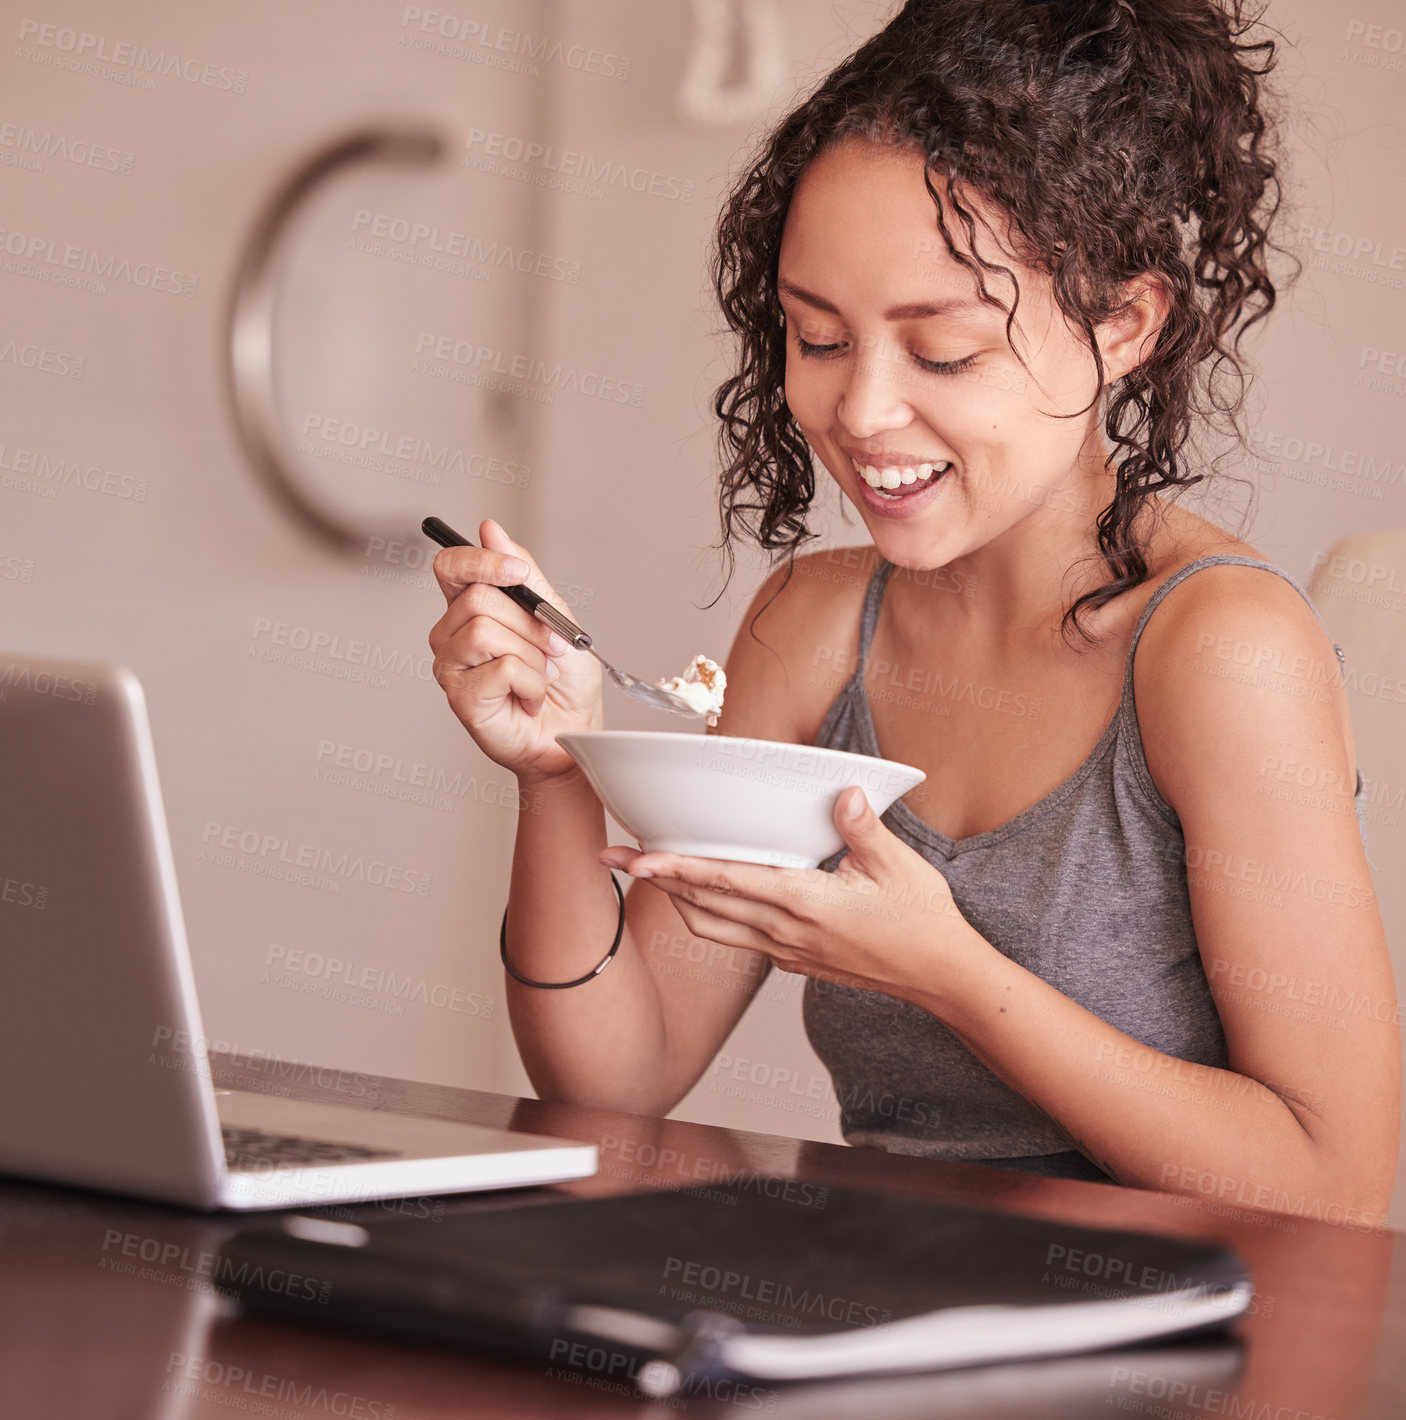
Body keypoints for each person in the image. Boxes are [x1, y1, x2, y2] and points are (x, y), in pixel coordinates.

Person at [428, 0, 1398, 1224]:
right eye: (817, 336)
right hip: (887, 1306)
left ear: (1122, 326)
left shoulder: (1218, 652)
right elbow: (617, 1074)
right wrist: (553, 771)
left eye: (940, 354)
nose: (860, 412)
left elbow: (1337, 1184)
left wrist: (947, 973)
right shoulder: (814, 627)